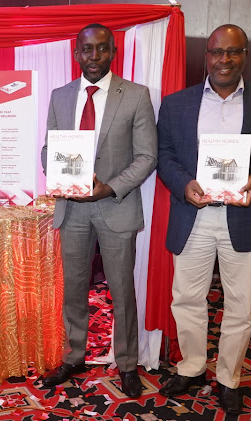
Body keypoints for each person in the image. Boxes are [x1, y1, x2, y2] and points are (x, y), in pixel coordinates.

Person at [156, 24, 251, 415]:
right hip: (194, 215)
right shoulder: (176, 103)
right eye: (218, 52)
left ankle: (229, 377)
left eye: (233, 52)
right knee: (186, 299)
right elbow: (164, 154)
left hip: (246, 215)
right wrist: (184, 184)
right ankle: (192, 366)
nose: (225, 60)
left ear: (244, 57)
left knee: (241, 305)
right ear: (208, 56)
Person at [40, 23, 157, 398]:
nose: (94, 57)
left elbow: (147, 156)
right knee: (73, 290)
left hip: (115, 206)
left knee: (122, 291)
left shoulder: (136, 95)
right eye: (87, 50)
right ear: (76, 54)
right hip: (72, 209)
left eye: (102, 49)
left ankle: (126, 363)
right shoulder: (59, 96)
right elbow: (48, 149)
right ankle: (73, 356)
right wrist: (55, 170)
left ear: (113, 52)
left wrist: (110, 187)